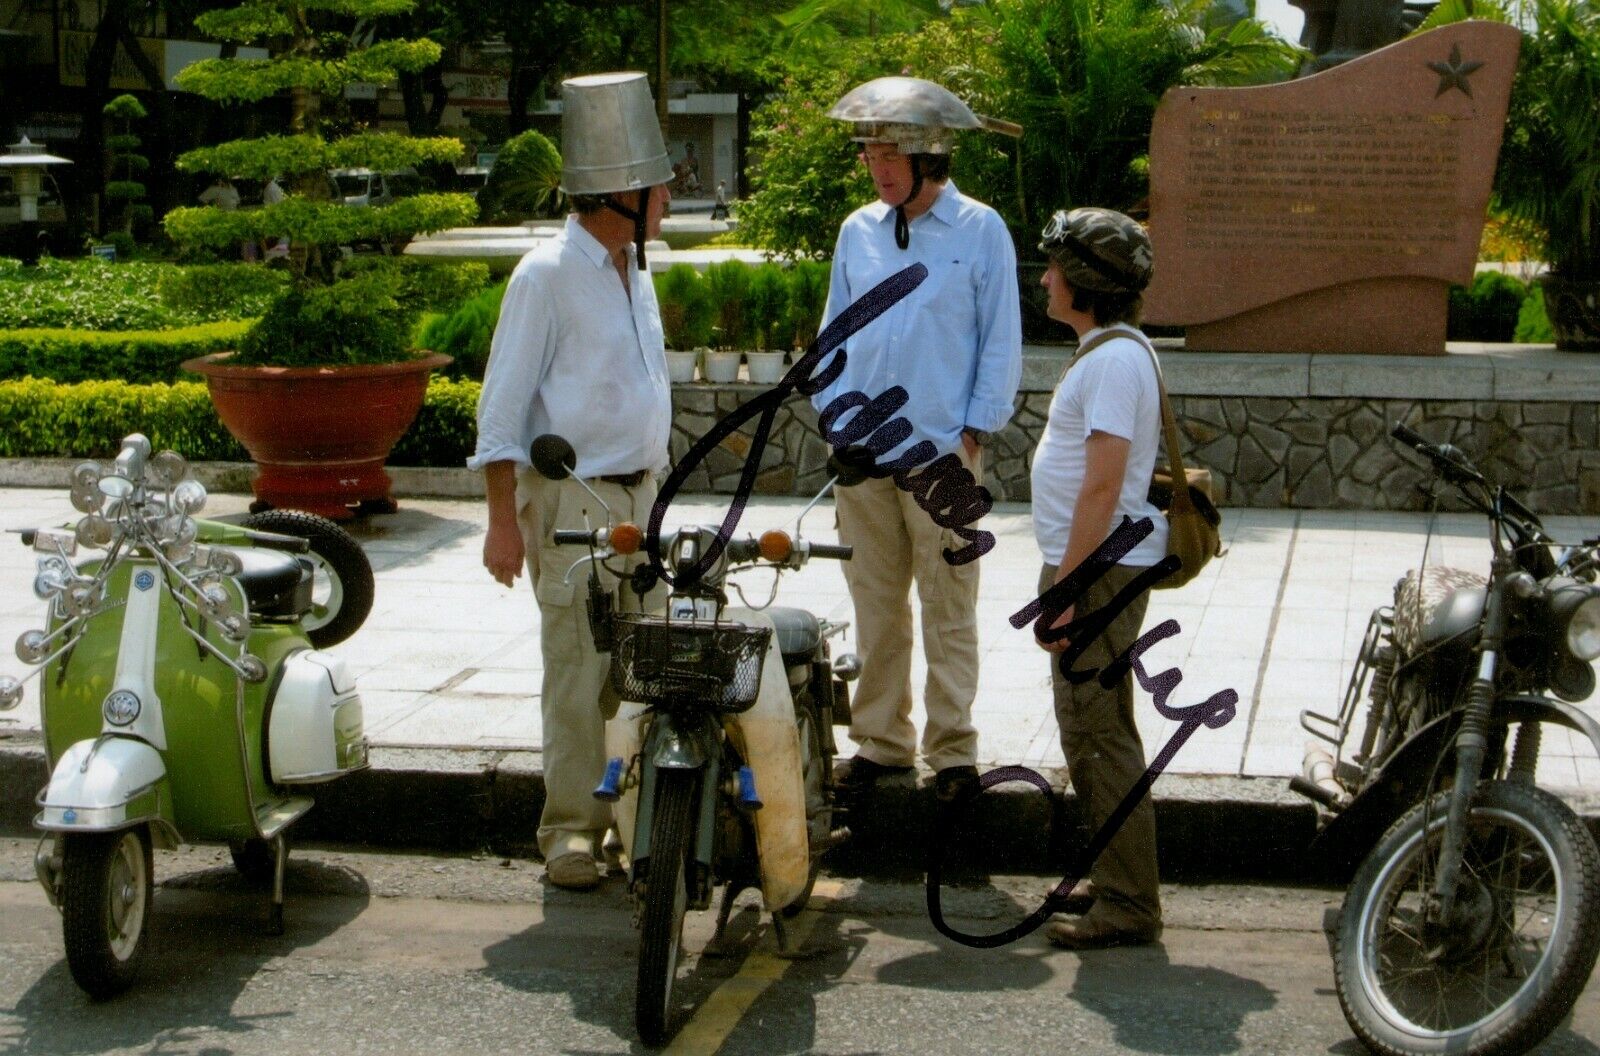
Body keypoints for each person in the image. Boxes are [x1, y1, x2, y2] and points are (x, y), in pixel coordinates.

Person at [470, 71, 675, 891]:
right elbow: (501, 412)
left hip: (642, 496)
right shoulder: (545, 275)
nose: (668, 196)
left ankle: (635, 816)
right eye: (658, 184)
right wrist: (502, 521)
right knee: (579, 668)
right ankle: (572, 832)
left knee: (646, 665)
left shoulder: (636, 268)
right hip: (571, 499)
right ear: (619, 193)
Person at [813, 76, 1022, 805]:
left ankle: (953, 751)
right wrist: (835, 416)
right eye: (869, 153)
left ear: (931, 152)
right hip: (863, 452)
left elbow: (1000, 338)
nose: (876, 166)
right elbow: (833, 335)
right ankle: (881, 741)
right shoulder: (857, 231)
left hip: (940, 452)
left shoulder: (981, 230)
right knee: (875, 603)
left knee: (949, 602)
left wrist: (974, 430)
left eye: (889, 152)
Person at [1030, 206, 1166, 950]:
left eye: (1056, 267)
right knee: (1095, 728)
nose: (1046, 278)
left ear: (1084, 283)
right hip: (1098, 566)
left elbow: (1102, 487)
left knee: (1098, 733)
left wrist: (1064, 591)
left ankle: (1128, 902)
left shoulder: (1113, 361)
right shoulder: (1112, 350)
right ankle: (1118, 874)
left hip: (1098, 570)